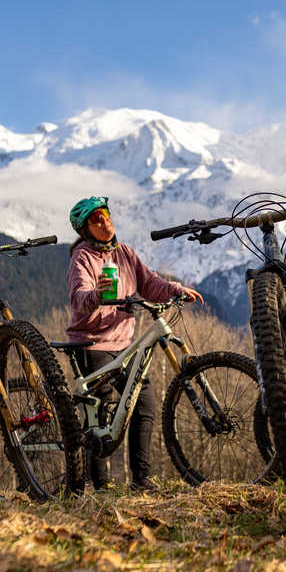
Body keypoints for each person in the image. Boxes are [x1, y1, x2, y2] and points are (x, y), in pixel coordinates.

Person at [66, 196, 204, 492]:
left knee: (144, 404)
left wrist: (177, 290)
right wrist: (97, 296)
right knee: (100, 412)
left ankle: (141, 479)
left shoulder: (125, 253)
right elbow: (78, 296)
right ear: (85, 229)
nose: (104, 222)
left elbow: (150, 284)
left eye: (105, 215)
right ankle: (100, 488)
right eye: (95, 220)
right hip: (92, 345)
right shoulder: (83, 257)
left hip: (125, 344)